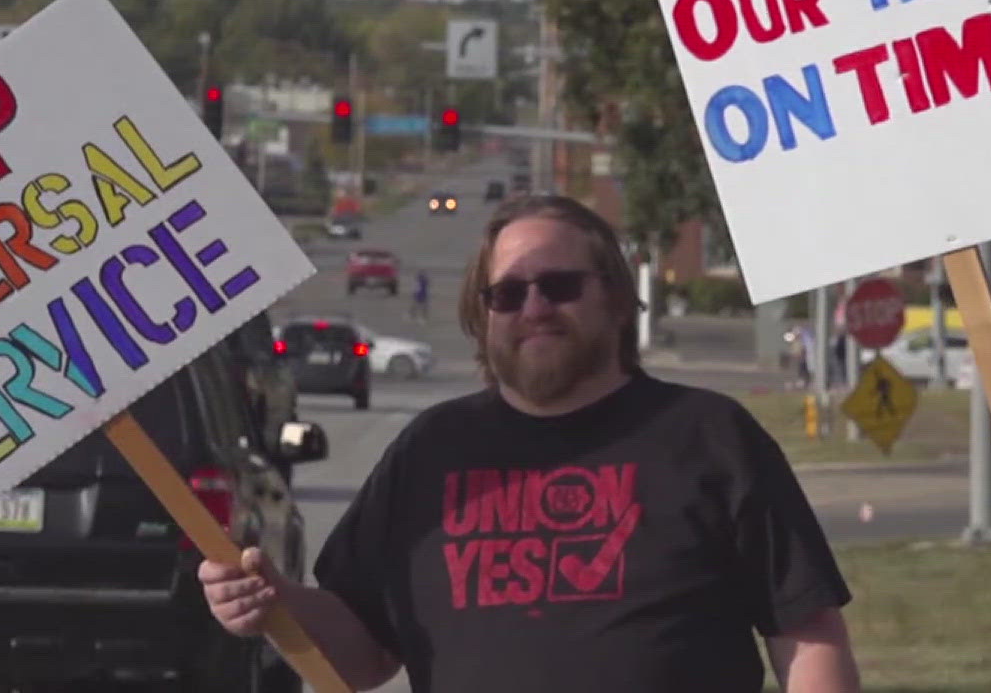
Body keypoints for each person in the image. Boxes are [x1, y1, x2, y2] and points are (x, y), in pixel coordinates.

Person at [201, 194, 861, 692]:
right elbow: (366, 655)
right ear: (482, 317)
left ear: (612, 300)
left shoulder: (710, 437)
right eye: (509, 293)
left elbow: (807, 634)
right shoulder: (430, 451)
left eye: (561, 286)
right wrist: (275, 603)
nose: (535, 307)